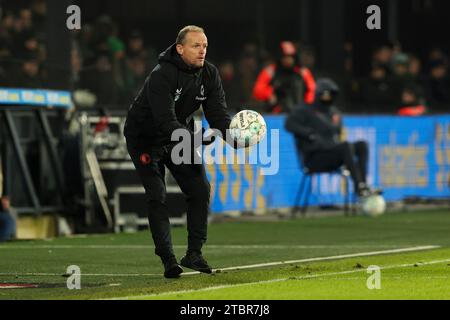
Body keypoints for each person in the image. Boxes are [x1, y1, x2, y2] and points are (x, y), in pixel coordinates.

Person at [124, 26, 235, 278]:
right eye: (196, 45)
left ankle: (193, 254)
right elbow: (164, 120)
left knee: (199, 188)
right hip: (145, 139)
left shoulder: (209, 73)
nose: (202, 50)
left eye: (205, 45)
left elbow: (218, 116)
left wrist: (235, 138)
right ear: (180, 48)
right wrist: (193, 137)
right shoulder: (161, 74)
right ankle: (168, 260)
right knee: (157, 194)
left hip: (178, 136)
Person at [285, 78, 379, 198]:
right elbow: (289, 124)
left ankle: (362, 186)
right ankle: (359, 186)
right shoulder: (305, 110)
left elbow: (338, 135)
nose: (328, 97)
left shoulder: (334, 113)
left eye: (331, 94)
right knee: (346, 146)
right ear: (318, 94)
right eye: (326, 94)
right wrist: (309, 134)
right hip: (314, 158)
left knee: (362, 145)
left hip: (333, 154)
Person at [253, 41, 316, 114]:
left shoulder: (303, 72)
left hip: (299, 112)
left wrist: (307, 106)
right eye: (285, 57)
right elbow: (257, 90)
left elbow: (312, 91)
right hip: (276, 112)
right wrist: (270, 93)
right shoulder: (270, 72)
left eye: (290, 57)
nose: (288, 60)